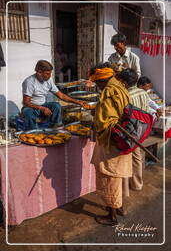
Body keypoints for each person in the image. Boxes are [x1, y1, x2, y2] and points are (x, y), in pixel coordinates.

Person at [90, 62, 132, 224]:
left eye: (96, 83)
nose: (96, 86)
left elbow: (103, 121)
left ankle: (112, 216)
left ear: (102, 80)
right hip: (123, 139)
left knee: (109, 178)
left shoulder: (108, 91)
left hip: (111, 142)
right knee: (117, 177)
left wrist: (94, 114)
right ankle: (119, 207)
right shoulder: (121, 87)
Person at [22, 60, 88, 130]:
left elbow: (61, 96)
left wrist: (77, 101)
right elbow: (26, 102)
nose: (50, 76)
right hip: (32, 107)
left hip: (43, 105)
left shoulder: (48, 80)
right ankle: (34, 131)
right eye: (47, 74)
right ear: (39, 72)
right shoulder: (29, 82)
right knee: (27, 112)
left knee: (56, 105)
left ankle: (56, 128)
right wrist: (42, 108)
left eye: (50, 73)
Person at [117, 68, 150, 192]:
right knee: (137, 157)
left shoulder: (126, 95)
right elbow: (146, 110)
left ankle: (126, 187)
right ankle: (137, 184)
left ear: (124, 82)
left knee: (127, 157)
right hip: (142, 129)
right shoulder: (143, 92)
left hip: (131, 131)